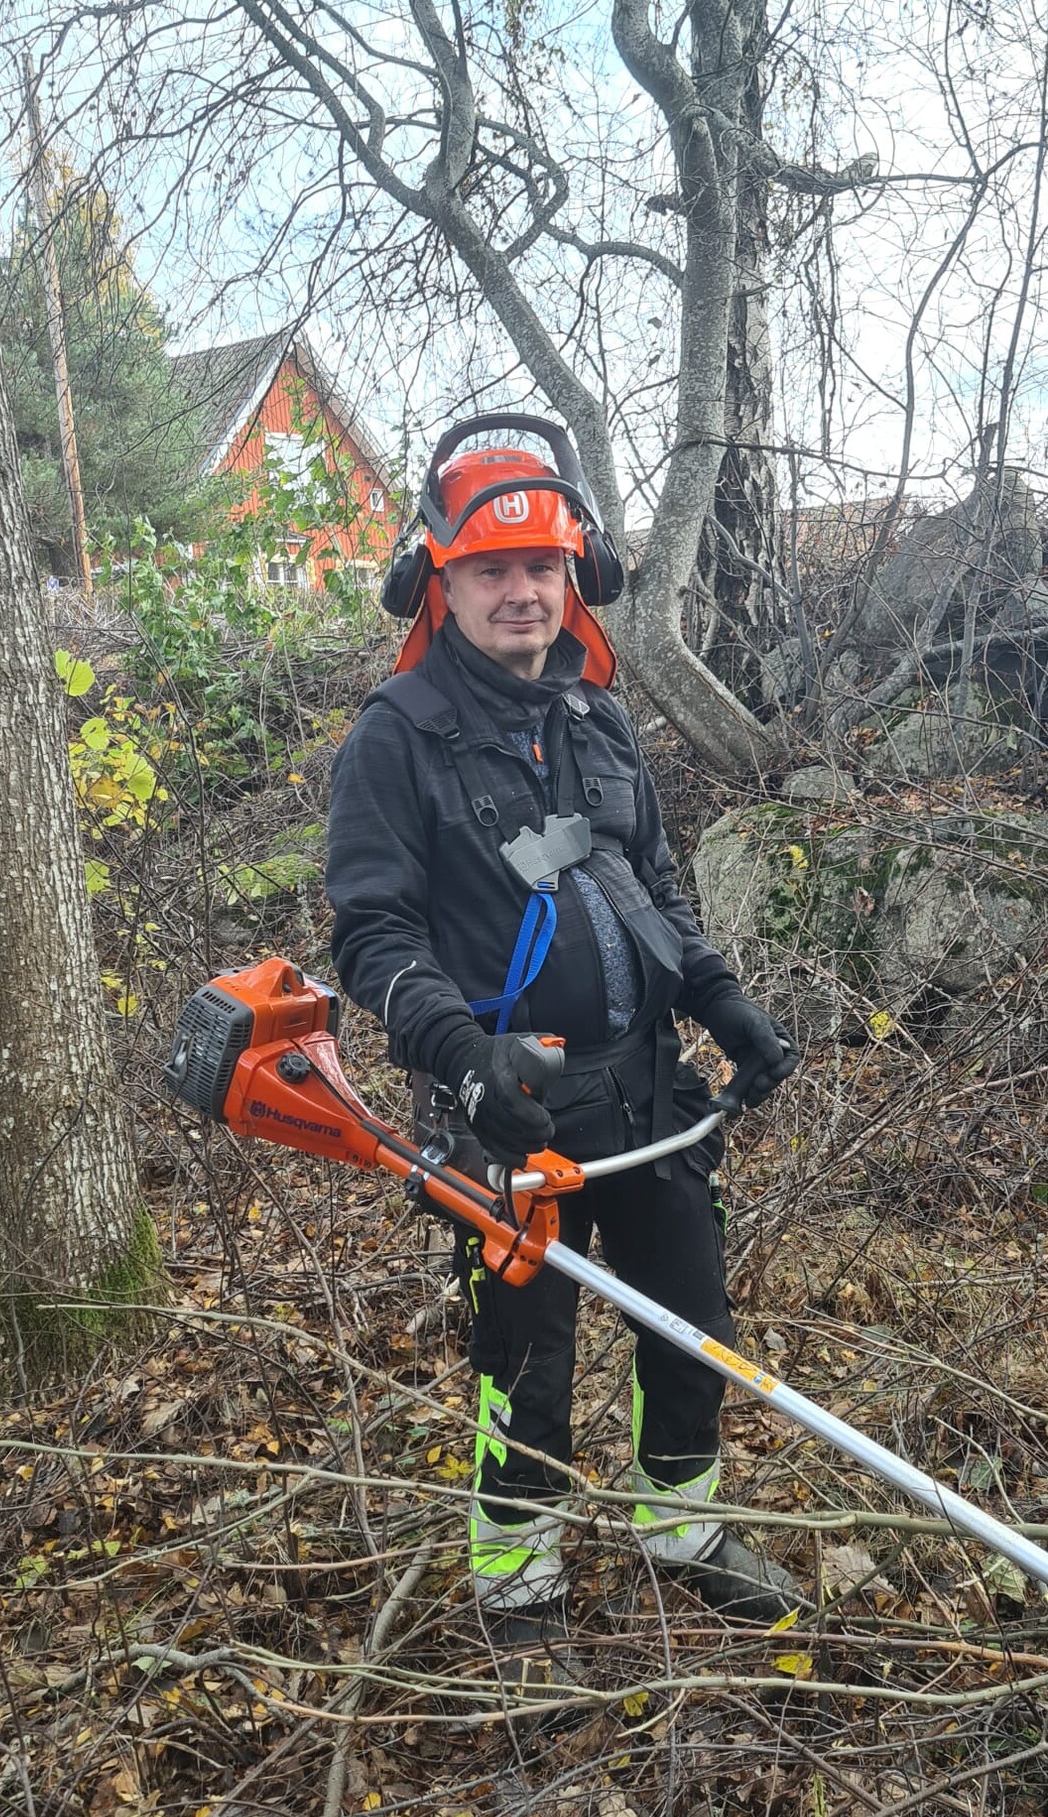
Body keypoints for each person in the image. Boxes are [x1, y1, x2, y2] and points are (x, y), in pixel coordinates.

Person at [326, 419, 801, 1688]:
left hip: (647, 1089)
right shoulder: (396, 738)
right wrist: (463, 1054)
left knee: (692, 1319)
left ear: (574, 572)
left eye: (541, 564)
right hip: (509, 1118)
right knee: (525, 1349)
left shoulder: (596, 715)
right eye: (492, 570)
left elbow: (649, 887)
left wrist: (722, 1001)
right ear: (441, 578)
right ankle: (518, 1568)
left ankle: (680, 1519)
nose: (521, 590)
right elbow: (373, 932)